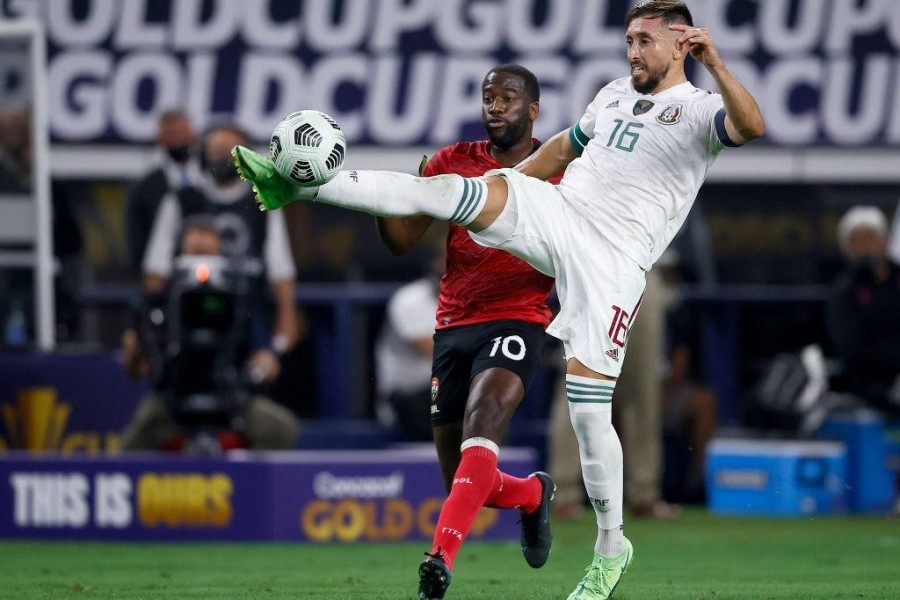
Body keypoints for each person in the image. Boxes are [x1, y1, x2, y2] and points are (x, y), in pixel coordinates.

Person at [233, 2, 765, 597]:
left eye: (644, 40)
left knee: (590, 411)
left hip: (614, 260)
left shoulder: (698, 110)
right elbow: (563, 149)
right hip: (562, 213)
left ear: (680, 44)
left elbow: (750, 127)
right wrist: (506, 187)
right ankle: (305, 183)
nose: (633, 51)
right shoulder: (613, 93)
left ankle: (612, 546)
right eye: (629, 39)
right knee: (448, 192)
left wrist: (715, 61)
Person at [374, 64, 560, 597]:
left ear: (532, 110)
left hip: (519, 316)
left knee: (485, 419)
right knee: (462, 478)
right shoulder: (452, 162)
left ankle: (439, 558)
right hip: (454, 326)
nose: (495, 106)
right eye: (488, 97)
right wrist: (379, 200)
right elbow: (401, 240)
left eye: (508, 97)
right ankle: (529, 495)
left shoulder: (562, 168)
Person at [120, 217, 300, 451]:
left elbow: (266, 358)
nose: (201, 264)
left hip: (229, 398)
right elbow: (135, 368)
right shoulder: (161, 302)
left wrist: (265, 363)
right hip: (173, 400)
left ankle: (245, 485)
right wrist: (136, 352)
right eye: (195, 253)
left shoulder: (239, 299)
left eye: (208, 254)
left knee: (281, 428)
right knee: (128, 449)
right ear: (179, 255)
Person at [144, 123, 303, 358]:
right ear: (202, 154)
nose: (223, 157)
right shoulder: (182, 200)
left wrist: (284, 326)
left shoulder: (264, 200)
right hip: (186, 318)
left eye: (231, 151)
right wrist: (151, 322)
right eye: (216, 149)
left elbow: (281, 271)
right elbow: (155, 272)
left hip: (246, 318)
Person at [826, 206, 900, 413]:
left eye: (871, 239)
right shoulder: (844, 291)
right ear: (846, 249)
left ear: (885, 241)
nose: (867, 248)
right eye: (857, 242)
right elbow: (852, 349)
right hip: (868, 387)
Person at [374, 240, 444, 441]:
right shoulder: (410, 299)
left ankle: (488, 467)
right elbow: (439, 352)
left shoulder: (473, 301)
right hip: (408, 396)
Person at [126, 109, 202, 272]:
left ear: (193, 134)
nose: (178, 141)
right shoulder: (146, 188)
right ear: (160, 139)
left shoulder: (209, 176)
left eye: (181, 133)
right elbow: (138, 237)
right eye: (171, 135)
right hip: (165, 271)